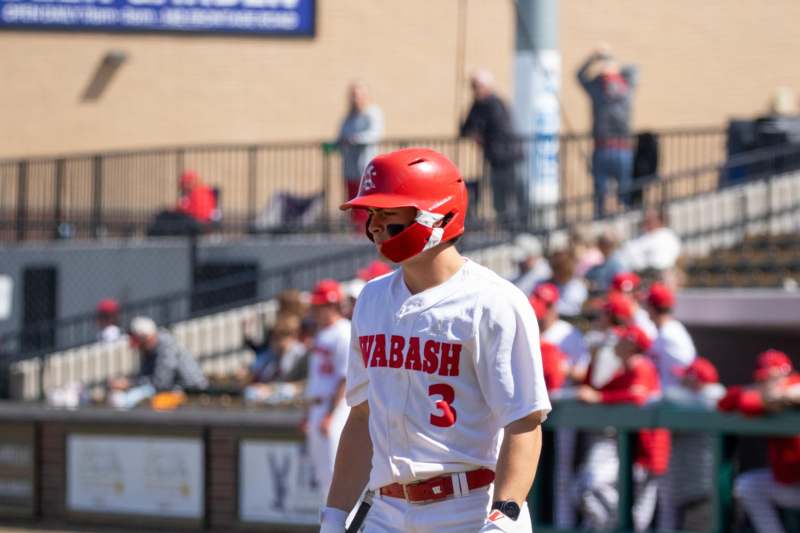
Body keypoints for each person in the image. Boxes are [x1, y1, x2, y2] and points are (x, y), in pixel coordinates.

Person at [322, 148, 551, 533]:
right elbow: (362, 417)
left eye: (387, 213)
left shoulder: (493, 301)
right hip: (385, 508)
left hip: (469, 507)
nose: (375, 226)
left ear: (437, 213)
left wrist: (505, 514)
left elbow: (524, 421)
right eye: (371, 214)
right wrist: (333, 513)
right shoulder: (372, 299)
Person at [574, 325, 670, 532]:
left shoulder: (641, 366)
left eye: (622, 340)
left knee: (640, 518)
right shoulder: (624, 369)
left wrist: (601, 398)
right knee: (598, 493)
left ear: (632, 345)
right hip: (632, 449)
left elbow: (636, 396)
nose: (616, 344)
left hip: (649, 448)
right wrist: (594, 360)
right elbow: (593, 390)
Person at [719, 350, 800, 533]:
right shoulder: (761, 393)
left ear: (787, 372)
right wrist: (770, 399)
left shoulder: (796, 384)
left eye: (774, 375)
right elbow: (726, 402)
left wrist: (783, 397)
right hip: (789, 483)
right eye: (765, 378)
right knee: (748, 485)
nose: (770, 381)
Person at [658, 357, 726, 531]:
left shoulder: (713, 400)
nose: (680, 381)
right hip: (685, 487)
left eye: (685, 378)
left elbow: (669, 396)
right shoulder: (686, 403)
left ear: (696, 381)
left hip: (705, 490)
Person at [577, 44, 639, 218]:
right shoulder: (627, 87)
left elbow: (579, 76)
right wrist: (612, 60)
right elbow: (635, 72)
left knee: (600, 192)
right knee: (624, 190)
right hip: (622, 148)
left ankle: (601, 218)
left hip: (604, 147)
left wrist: (595, 58)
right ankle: (623, 218)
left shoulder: (598, 88)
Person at [304, 279, 351, 504]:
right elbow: (317, 378)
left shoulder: (344, 332)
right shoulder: (322, 333)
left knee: (335, 476)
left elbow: (345, 377)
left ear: (332, 305)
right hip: (318, 407)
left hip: (335, 408)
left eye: (319, 306)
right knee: (323, 478)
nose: (315, 310)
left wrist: (330, 414)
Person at [460, 68, 526, 227]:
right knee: (505, 197)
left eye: (477, 86)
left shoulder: (489, 104)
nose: (475, 90)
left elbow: (472, 127)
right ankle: (511, 226)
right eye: (473, 86)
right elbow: (465, 129)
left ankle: (513, 227)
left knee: (506, 197)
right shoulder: (487, 104)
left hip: (504, 157)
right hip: (501, 157)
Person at [112, 316, 208, 393]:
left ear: (148, 338)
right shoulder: (148, 351)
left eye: (141, 343)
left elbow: (162, 382)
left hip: (191, 391)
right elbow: (145, 376)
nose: (139, 348)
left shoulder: (166, 346)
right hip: (173, 391)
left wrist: (129, 384)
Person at [338, 81, 384, 227]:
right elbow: (341, 135)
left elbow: (374, 134)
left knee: (366, 202)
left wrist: (354, 139)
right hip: (350, 168)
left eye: (357, 95)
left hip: (366, 168)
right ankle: (355, 230)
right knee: (353, 202)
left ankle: (366, 231)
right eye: (352, 96)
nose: (355, 99)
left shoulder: (372, 113)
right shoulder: (348, 117)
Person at [645, 282, 696, 389]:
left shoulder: (670, 335)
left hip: (673, 396)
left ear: (652, 308)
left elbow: (685, 372)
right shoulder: (666, 330)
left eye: (647, 305)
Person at [620, 209, 682, 279]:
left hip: (659, 273)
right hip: (639, 272)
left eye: (650, 221)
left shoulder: (666, 236)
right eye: (646, 221)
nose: (647, 223)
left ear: (659, 221)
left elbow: (661, 260)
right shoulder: (643, 236)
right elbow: (630, 250)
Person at [542, 250, 588, 319]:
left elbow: (573, 309)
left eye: (559, 270)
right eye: (554, 269)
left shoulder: (577, 288)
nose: (555, 273)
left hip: (569, 321)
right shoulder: (545, 283)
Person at [585, 229, 626, 295]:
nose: (603, 246)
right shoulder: (596, 261)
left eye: (607, 243)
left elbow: (622, 285)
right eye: (601, 243)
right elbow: (588, 278)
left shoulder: (620, 261)